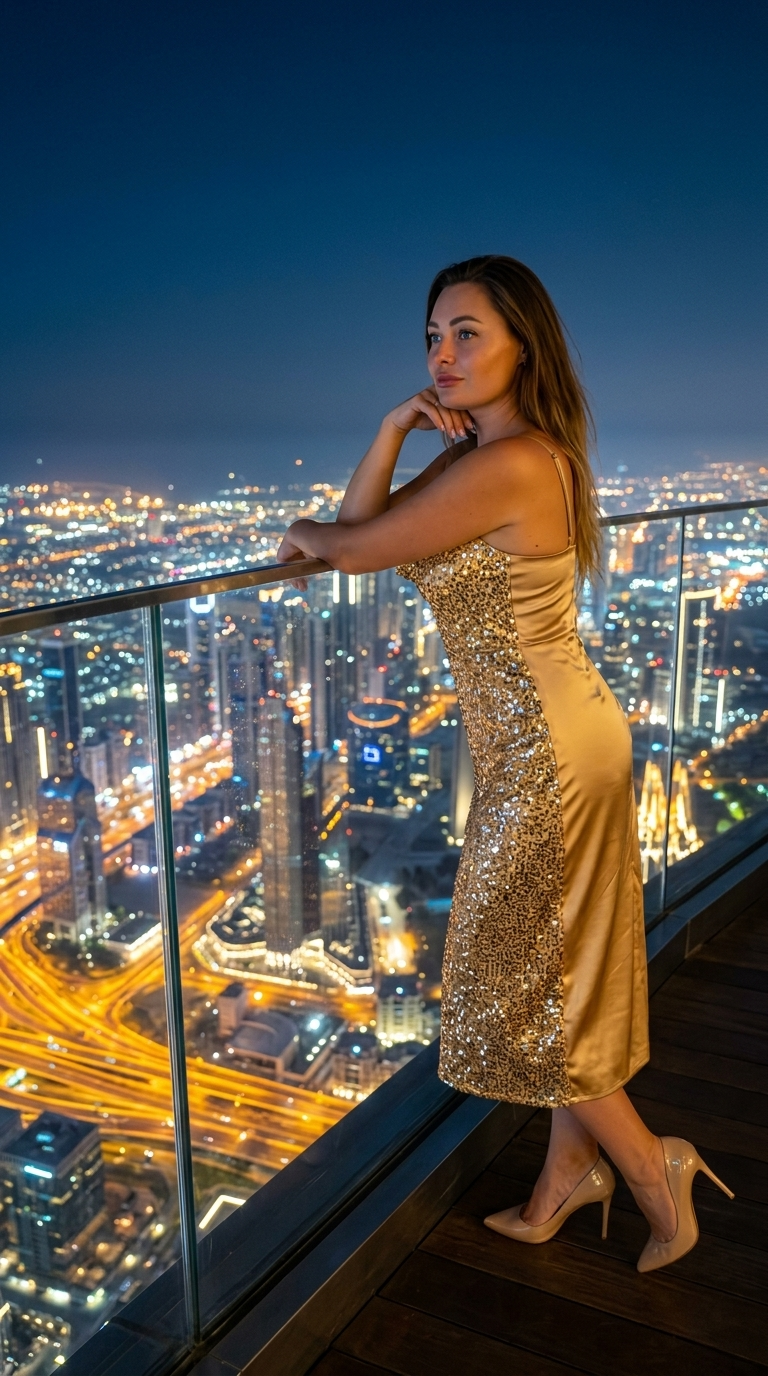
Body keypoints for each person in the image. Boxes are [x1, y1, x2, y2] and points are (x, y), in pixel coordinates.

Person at [277, 254, 733, 1272]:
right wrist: (395, 427)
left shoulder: (516, 461)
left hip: (552, 757)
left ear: (526, 341)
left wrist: (298, 530)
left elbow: (345, 547)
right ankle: (567, 1174)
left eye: (467, 331)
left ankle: (661, 1171)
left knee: (527, 983)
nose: (442, 353)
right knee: (546, 975)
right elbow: (365, 527)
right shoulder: (489, 454)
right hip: (540, 746)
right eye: (432, 336)